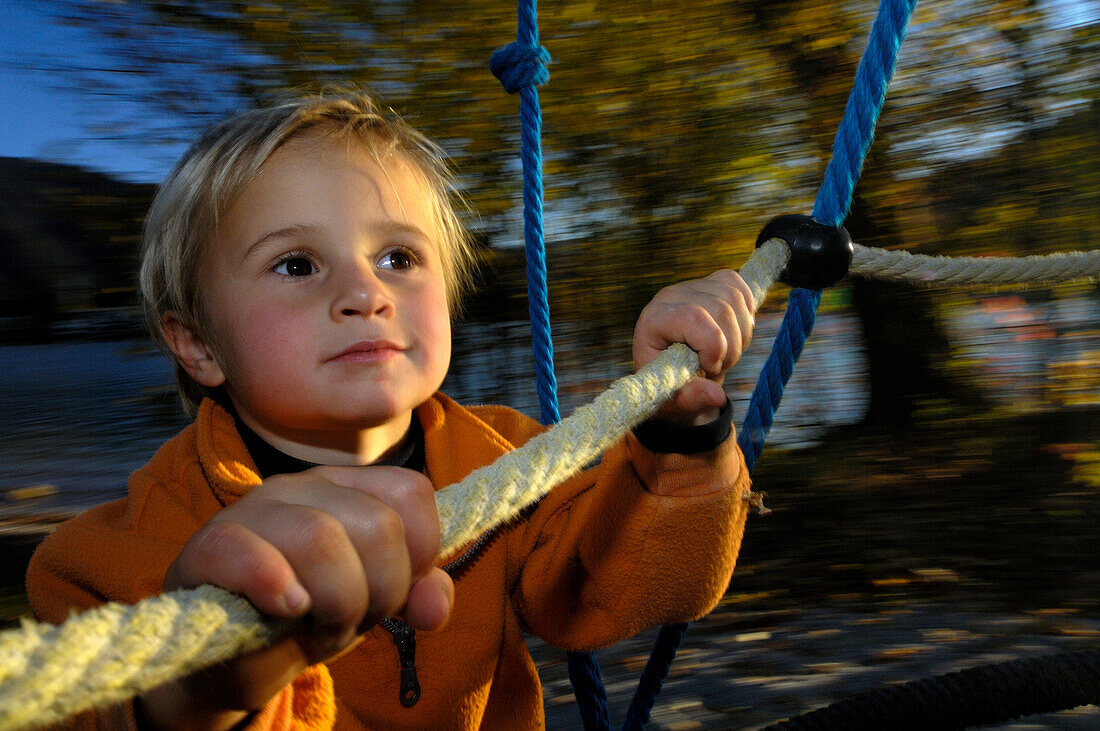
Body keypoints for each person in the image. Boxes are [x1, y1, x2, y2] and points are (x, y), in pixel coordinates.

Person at [26, 92, 758, 730]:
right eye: (297, 265)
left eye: (399, 259)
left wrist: (680, 432)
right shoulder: (121, 553)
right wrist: (195, 693)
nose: (365, 294)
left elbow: (641, 587)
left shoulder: (509, 457)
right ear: (197, 342)